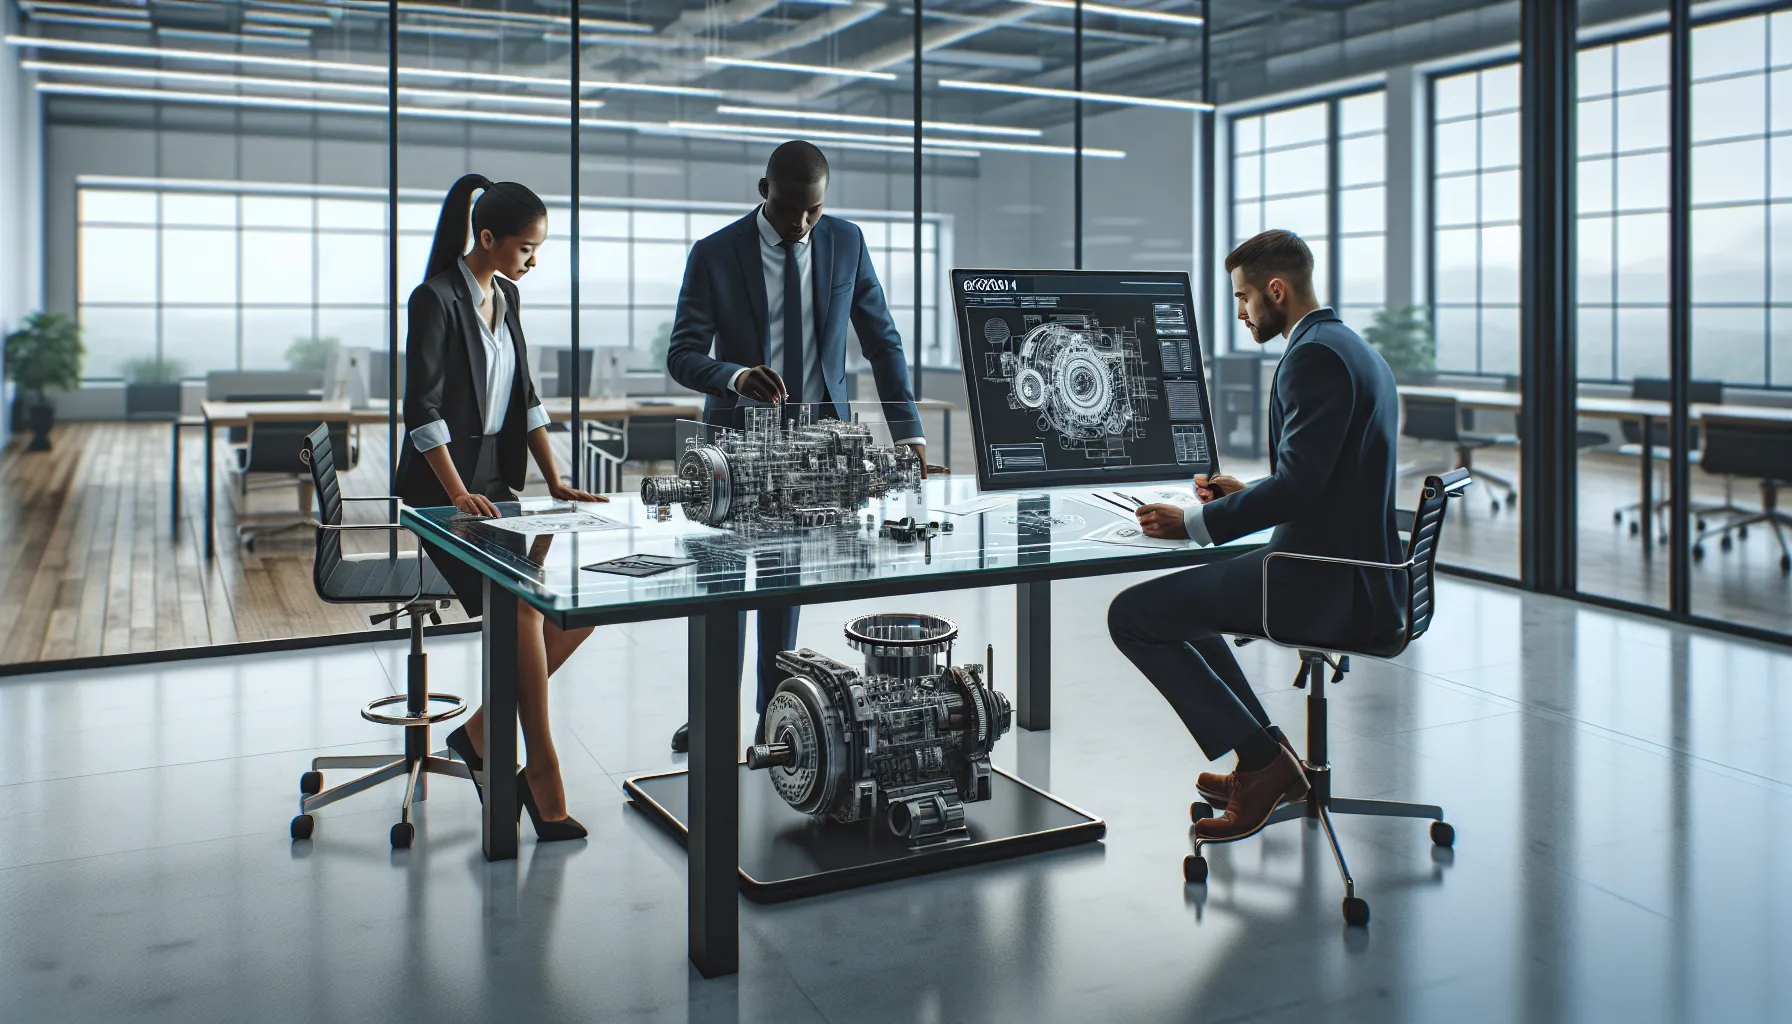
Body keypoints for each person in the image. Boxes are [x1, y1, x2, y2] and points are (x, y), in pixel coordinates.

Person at [1106, 229, 1402, 843]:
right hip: (1357, 569)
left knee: (1131, 616)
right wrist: (1248, 496)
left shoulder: (1312, 357)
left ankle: (1266, 766)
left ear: (1276, 289)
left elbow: (1298, 489)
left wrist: (1192, 522)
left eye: (1244, 297)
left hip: (1319, 578)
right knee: (1189, 610)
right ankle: (1264, 757)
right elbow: (1320, 477)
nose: (1241, 311)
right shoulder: (1351, 347)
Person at [664, 141, 925, 751]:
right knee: (722, 586)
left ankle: (772, 719)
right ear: (763, 189)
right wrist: (733, 376)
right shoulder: (714, 254)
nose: (800, 224)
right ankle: (710, 716)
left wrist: (907, 432)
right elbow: (682, 353)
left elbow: (881, 343)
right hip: (735, 448)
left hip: (817, 450)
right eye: (788, 210)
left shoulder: (846, 242)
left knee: (784, 589)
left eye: (812, 210)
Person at [397, 173, 603, 842]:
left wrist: (557, 478)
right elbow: (419, 411)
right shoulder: (433, 300)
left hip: (496, 487)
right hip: (441, 492)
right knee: (518, 607)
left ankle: (482, 735)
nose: (533, 261)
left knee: (576, 613)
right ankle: (540, 775)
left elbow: (527, 399)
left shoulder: (505, 296)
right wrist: (456, 492)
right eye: (526, 247)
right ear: (487, 238)